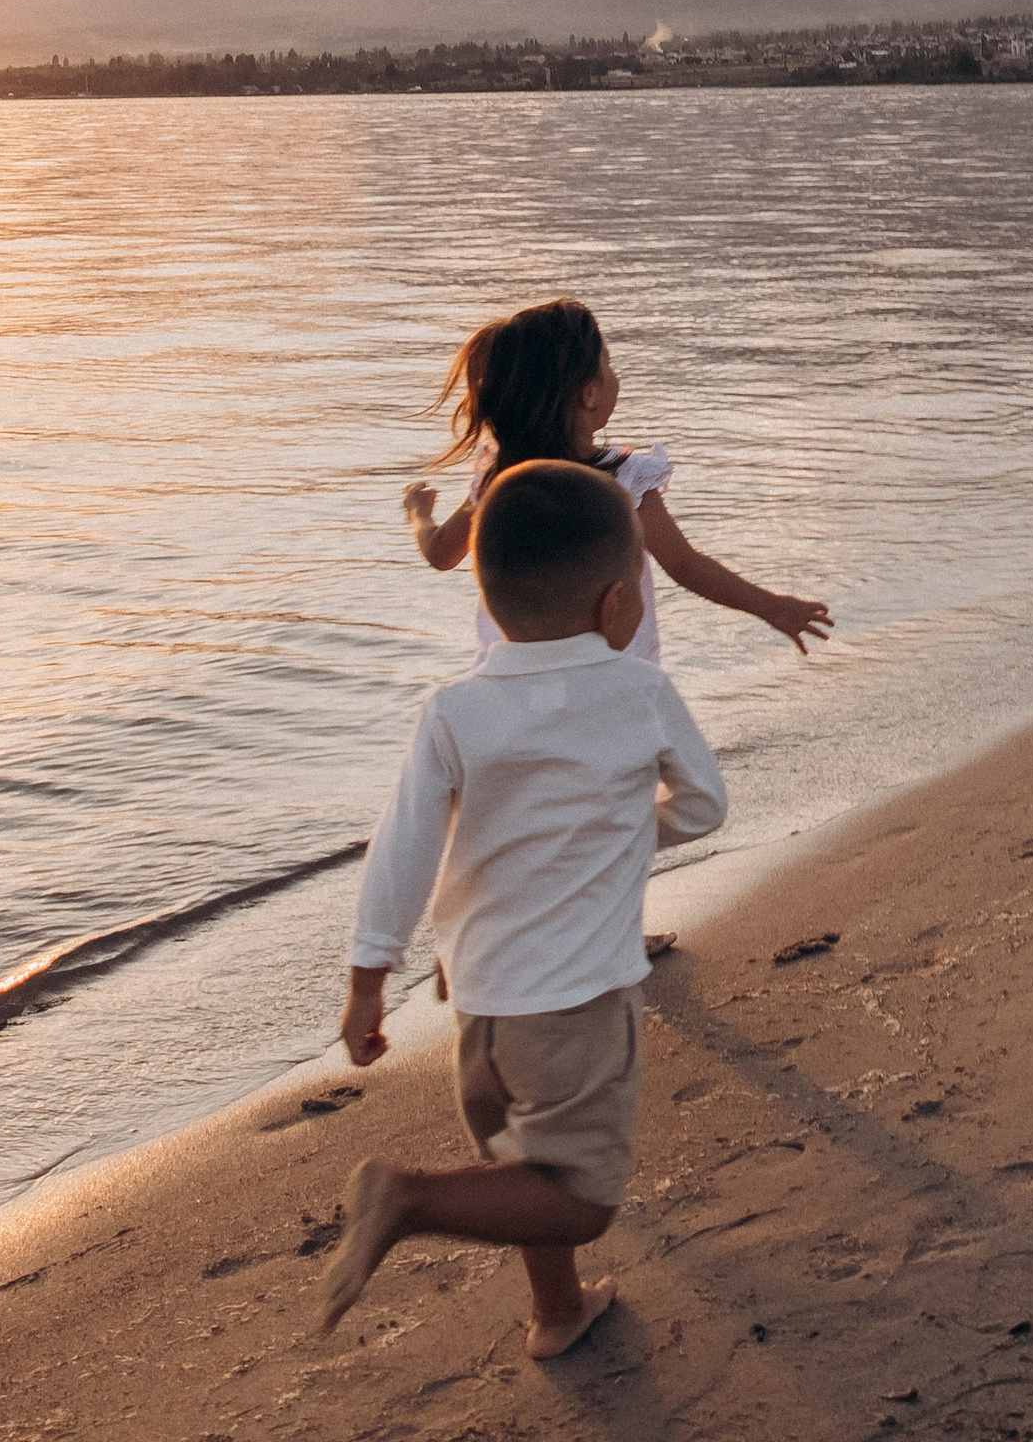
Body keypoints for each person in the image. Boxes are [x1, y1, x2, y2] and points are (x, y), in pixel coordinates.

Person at [322, 461, 727, 1353]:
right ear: (619, 605)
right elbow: (704, 805)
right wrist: (623, 836)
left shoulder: (455, 710)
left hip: (481, 1006)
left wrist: (365, 983)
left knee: (519, 1164)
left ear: (487, 589)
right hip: (578, 1001)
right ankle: (409, 1196)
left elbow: (401, 849)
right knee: (576, 1195)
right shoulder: (641, 692)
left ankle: (557, 1311)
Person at [402, 296, 833, 668]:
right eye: (609, 366)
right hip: (618, 678)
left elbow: (442, 553)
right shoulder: (624, 483)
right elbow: (685, 565)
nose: (616, 377)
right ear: (589, 394)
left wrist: (419, 515)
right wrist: (772, 607)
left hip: (515, 685)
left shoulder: (501, 480)